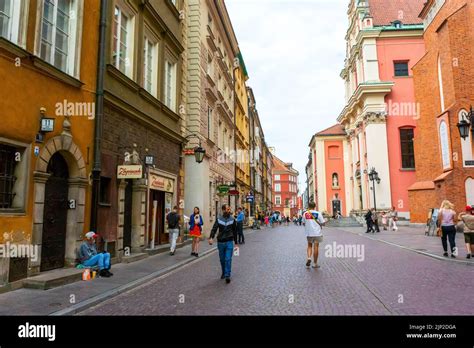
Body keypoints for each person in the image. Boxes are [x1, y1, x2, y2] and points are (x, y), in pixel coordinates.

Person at [209, 204, 239, 284]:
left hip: (229, 241)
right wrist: (211, 237)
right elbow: (214, 229)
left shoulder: (232, 220)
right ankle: (223, 272)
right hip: (221, 242)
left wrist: (236, 243)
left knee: (228, 259)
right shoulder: (219, 219)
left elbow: (235, 232)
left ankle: (227, 275)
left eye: (229, 209)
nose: (229, 211)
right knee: (222, 259)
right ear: (223, 210)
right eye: (227, 209)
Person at [302, 202, 326, 269]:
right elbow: (323, 223)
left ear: (308, 206)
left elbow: (303, 223)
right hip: (317, 233)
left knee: (309, 246)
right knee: (316, 247)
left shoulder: (305, 213)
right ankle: (315, 263)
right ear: (315, 206)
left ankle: (309, 257)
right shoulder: (318, 213)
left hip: (309, 233)